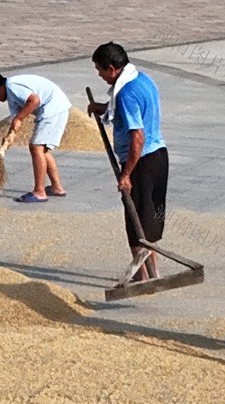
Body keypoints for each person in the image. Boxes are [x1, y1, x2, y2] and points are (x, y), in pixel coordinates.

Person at [86, 42, 168, 281]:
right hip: (159, 157)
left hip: (141, 162)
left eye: (100, 70)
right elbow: (129, 113)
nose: (99, 75)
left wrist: (126, 175)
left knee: (136, 224)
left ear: (112, 68)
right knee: (150, 218)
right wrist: (101, 108)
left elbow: (137, 136)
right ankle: (152, 272)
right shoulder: (142, 80)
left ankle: (144, 276)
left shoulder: (126, 93)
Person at [0, 71, 71, 203]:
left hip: (53, 109)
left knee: (36, 148)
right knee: (42, 149)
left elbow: (34, 101)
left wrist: (19, 118)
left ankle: (39, 192)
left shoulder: (12, 86)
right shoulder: (10, 94)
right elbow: (16, 121)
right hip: (54, 108)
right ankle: (57, 188)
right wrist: (9, 136)